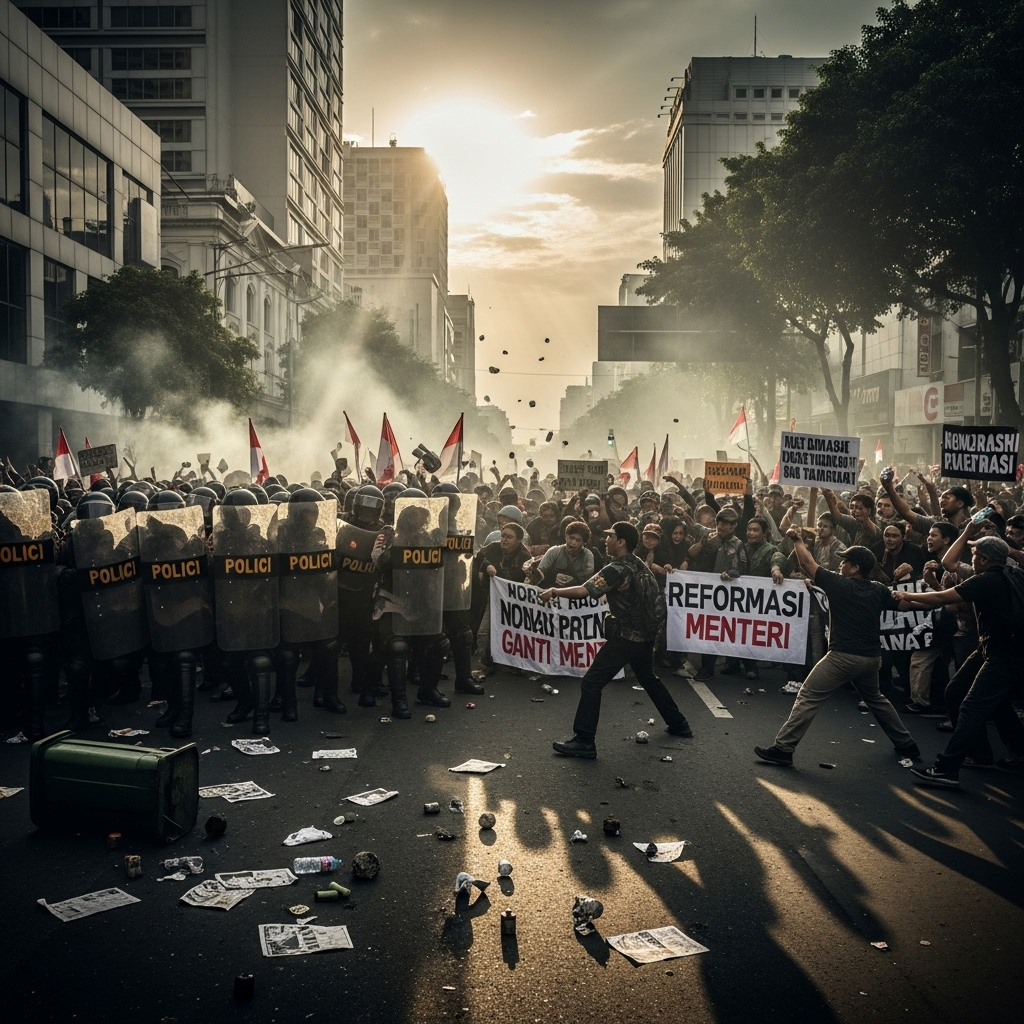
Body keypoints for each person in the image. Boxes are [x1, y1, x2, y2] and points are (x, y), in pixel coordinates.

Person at [753, 528, 921, 767]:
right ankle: (907, 744)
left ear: (855, 568)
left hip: (843, 657)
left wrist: (797, 539)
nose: (841, 565)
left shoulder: (839, 584)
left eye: (845, 562)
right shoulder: (878, 589)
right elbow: (906, 606)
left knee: (809, 695)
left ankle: (783, 748)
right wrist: (935, 600)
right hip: (871, 658)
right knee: (875, 699)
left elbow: (807, 563)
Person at [542, 521, 692, 758]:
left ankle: (584, 741)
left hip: (627, 636)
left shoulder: (617, 568)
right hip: (645, 635)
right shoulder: (638, 563)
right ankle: (679, 724)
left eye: (611, 536)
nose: (606, 539)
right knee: (648, 679)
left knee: (591, 682)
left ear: (621, 542)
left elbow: (584, 590)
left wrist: (554, 591)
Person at [901, 533, 1024, 787]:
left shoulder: (987, 580)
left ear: (985, 559)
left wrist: (902, 596)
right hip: (992, 649)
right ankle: (985, 755)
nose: (972, 558)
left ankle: (947, 769)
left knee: (972, 706)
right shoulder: (1016, 574)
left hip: (1004, 654)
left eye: (976, 555)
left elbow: (941, 598)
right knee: (959, 693)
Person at [537, 521, 595, 587]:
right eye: (571, 538)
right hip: (551, 590)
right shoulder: (554, 551)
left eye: (578, 540)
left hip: (576, 592)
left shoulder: (587, 555)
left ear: (583, 542)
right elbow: (540, 571)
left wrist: (573, 581)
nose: (573, 542)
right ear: (566, 536)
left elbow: (588, 577)